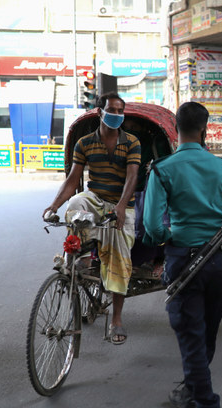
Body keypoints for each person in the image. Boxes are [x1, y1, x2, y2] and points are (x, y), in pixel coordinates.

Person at [143, 102, 222, 408]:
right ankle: (191, 392)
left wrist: (169, 238)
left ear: (176, 130)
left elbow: (152, 226)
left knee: (191, 339)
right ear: (205, 130)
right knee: (206, 335)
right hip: (220, 262)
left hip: (184, 261)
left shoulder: (163, 169)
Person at [43, 93, 140, 345]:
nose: (116, 115)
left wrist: (120, 207)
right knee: (76, 203)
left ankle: (117, 318)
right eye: (112, 110)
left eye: (120, 111)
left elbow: (132, 178)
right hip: (95, 199)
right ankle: (81, 254)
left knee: (119, 255)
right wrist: (53, 206)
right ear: (100, 112)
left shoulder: (132, 142)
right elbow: (73, 180)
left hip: (122, 204)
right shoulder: (84, 143)